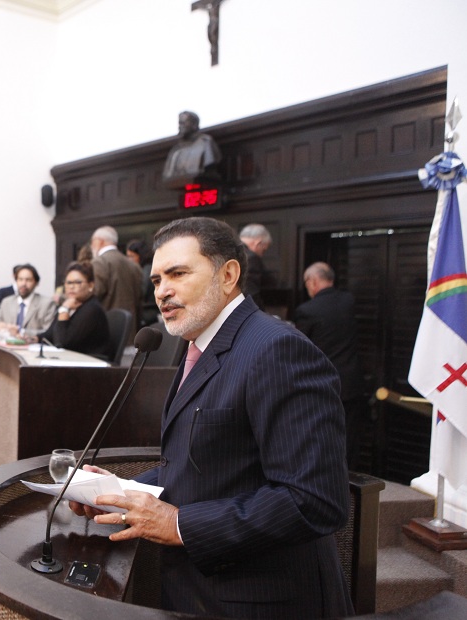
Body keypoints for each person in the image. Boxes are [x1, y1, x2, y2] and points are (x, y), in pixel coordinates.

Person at [69, 217, 352, 618]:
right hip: (198, 590)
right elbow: (208, 464)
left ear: (228, 275)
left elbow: (315, 500)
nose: (162, 291)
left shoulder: (278, 350)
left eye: (178, 274)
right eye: (156, 280)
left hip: (259, 602)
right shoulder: (197, 345)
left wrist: (180, 524)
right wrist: (117, 493)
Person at [294, 262, 368, 469]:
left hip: (323, 385)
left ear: (313, 281)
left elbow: (298, 347)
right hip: (352, 383)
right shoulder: (349, 301)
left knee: (323, 440)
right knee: (350, 440)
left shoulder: (307, 310)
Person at [38, 261, 110, 358]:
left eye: (78, 282)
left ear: (90, 285)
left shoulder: (92, 309)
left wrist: (64, 310)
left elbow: (61, 343)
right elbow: (50, 335)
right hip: (72, 360)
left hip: (89, 363)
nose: (71, 287)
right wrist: (30, 339)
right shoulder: (70, 304)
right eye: (68, 283)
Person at [90, 226, 142, 344]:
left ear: (99, 241)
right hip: (132, 333)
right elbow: (139, 297)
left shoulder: (99, 262)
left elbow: (94, 295)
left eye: (92, 242)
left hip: (108, 334)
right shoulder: (133, 265)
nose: (91, 246)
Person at [0, 264, 57, 337]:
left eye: (28, 280)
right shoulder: (7, 302)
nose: (23, 283)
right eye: (20, 279)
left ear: (36, 283)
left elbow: (50, 333)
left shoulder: (47, 304)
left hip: (30, 344)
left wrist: (20, 331)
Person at [161, 111, 222, 190]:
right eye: (179, 123)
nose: (180, 126)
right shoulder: (175, 150)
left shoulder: (206, 142)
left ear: (194, 125)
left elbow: (210, 162)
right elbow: (168, 174)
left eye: (184, 123)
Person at [239, 223, 275, 309]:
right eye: (263, 250)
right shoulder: (251, 258)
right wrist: (263, 315)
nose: (262, 255)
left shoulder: (226, 250)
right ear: (258, 243)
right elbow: (250, 293)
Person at [126, 239, 158, 326]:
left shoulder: (146, 271)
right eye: (128, 256)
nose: (129, 260)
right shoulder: (144, 269)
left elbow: (141, 292)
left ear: (140, 255)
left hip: (148, 314)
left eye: (132, 256)